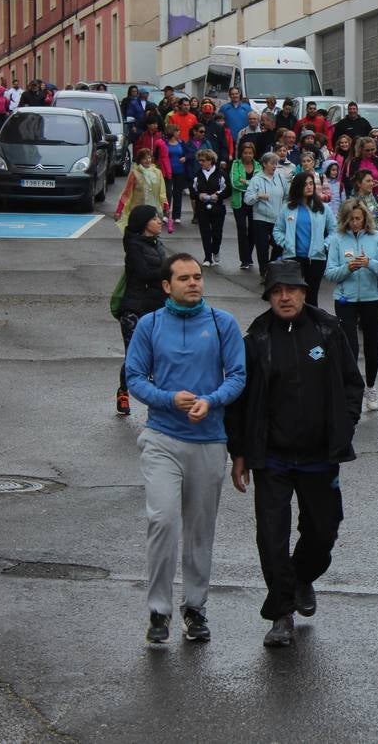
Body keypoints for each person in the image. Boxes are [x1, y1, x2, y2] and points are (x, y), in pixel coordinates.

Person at [226, 261, 364, 647]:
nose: (284, 297)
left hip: (321, 455)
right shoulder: (256, 339)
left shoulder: (328, 330)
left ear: (305, 292)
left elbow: (352, 384)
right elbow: (238, 401)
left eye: (291, 290)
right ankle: (282, 613)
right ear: (268, 296)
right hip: (273, 458)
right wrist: (239, 452)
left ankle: (302, 577)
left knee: (323, 532)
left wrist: (345, 424)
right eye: (276, 291)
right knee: (271, 537)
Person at [123, 254, 247, 645]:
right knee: (162, 521)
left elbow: (238, 376)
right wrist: (167, 399)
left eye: (197, 277)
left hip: (209, 440)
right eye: (184, 278)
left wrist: (210, 401)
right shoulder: (150, 324)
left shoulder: (221, 322)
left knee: (199, 530)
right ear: (166, 286)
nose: (194, 283)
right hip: (162, 438)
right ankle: (158, 611)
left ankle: (196, 608)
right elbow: (135, 378)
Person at [325, 198, 378, 412]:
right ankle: (352, 389)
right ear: (345, 220)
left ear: (365, 218)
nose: (355, 223)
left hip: (373, 299)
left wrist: (369, 263)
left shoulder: (377, 237)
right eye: (351, 219)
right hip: (346, 299)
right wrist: (349, 268)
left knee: (372, 347)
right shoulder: (337, 239)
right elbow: (330, 273)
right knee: (350, 347)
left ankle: (371, 387)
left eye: (359, 219)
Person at [114, 206, 168, 415]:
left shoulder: (158, 244)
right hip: (134, 310)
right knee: (134, 357)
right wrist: (168, 271)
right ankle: (123, 392)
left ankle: (156, 401)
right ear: (145, 223)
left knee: (158, 354)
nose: (160, 221)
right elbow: (144, 273)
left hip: (157, 308)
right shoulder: (134, 246)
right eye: (155, 219)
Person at [273, 172, 330, 307]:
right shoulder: (287, 208)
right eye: (305, 184)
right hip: (293, 258)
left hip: (316, 258)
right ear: (298, 187)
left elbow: (334, 231)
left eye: (311, 184)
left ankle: (311, 326)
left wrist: (325, 244)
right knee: (293, 296)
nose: (309, 187)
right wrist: (285, 243)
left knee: (312, 297)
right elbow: (277, 230)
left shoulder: (323, 208)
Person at [245, 152, 289, 278]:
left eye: (276, 163)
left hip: (277, 218)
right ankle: (264, 271)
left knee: (278, 245)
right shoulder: (256, 179)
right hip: (261, 219)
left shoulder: (280, 178)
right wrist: (258, 196)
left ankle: (272, 266)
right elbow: (247, 199)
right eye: (272, 163)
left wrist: (284, 209)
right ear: (264, 164)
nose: (274, 166)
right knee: (262, 247)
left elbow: (287, 196)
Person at [188, 149, 230, 267]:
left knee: (217, 233)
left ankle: (215, 250)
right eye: (199, 160)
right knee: (205, 232)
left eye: (203, 160)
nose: (201, 163)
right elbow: (192, 190)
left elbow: (228, 189)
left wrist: (219, 195)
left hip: (218, 209)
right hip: (202, 209)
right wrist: (199, 196)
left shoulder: (221, 174)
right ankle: (207, 257)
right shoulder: (197, 175)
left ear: (211, 161)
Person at [113, 147, 169, 229]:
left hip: (153, 211)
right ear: (139, 160)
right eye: (144, 158)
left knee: (151, 234)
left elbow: (162, 193)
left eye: (149, 157)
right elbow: (126, 194)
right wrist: (118, 211)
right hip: (137, 211)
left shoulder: (157, 173)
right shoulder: (134, 174)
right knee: (139, 233)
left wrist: (167, 208)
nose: (147, 160)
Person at [228, 142, 259, 271]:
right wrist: (250, 184)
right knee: (242, 229)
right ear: (241, 153)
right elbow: (235, 183)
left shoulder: (258, 165)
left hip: (253, 202)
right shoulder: (235, 164)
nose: (248, 155)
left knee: (252, 230)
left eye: (250, 153)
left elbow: (259, 185)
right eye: (245, 153)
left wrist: (245, 182)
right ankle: (244, 259)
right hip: (239, 202)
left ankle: (248, 256)